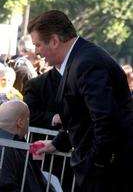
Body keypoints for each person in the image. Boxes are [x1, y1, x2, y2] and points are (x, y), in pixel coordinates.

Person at [27, 10, 133, 192]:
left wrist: (95, 164)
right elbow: (80, 115)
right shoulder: (80, 58)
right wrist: (56, 143)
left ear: (54, 41)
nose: (36, 52)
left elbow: (104, 119)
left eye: (38, 45)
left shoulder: (86, 62)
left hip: (109, 174)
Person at [0, 100, 57, 192]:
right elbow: (7, 185)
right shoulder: (8, 148)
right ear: (20, 123)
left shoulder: (17, 144)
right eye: (28, 118)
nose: (29, 122)